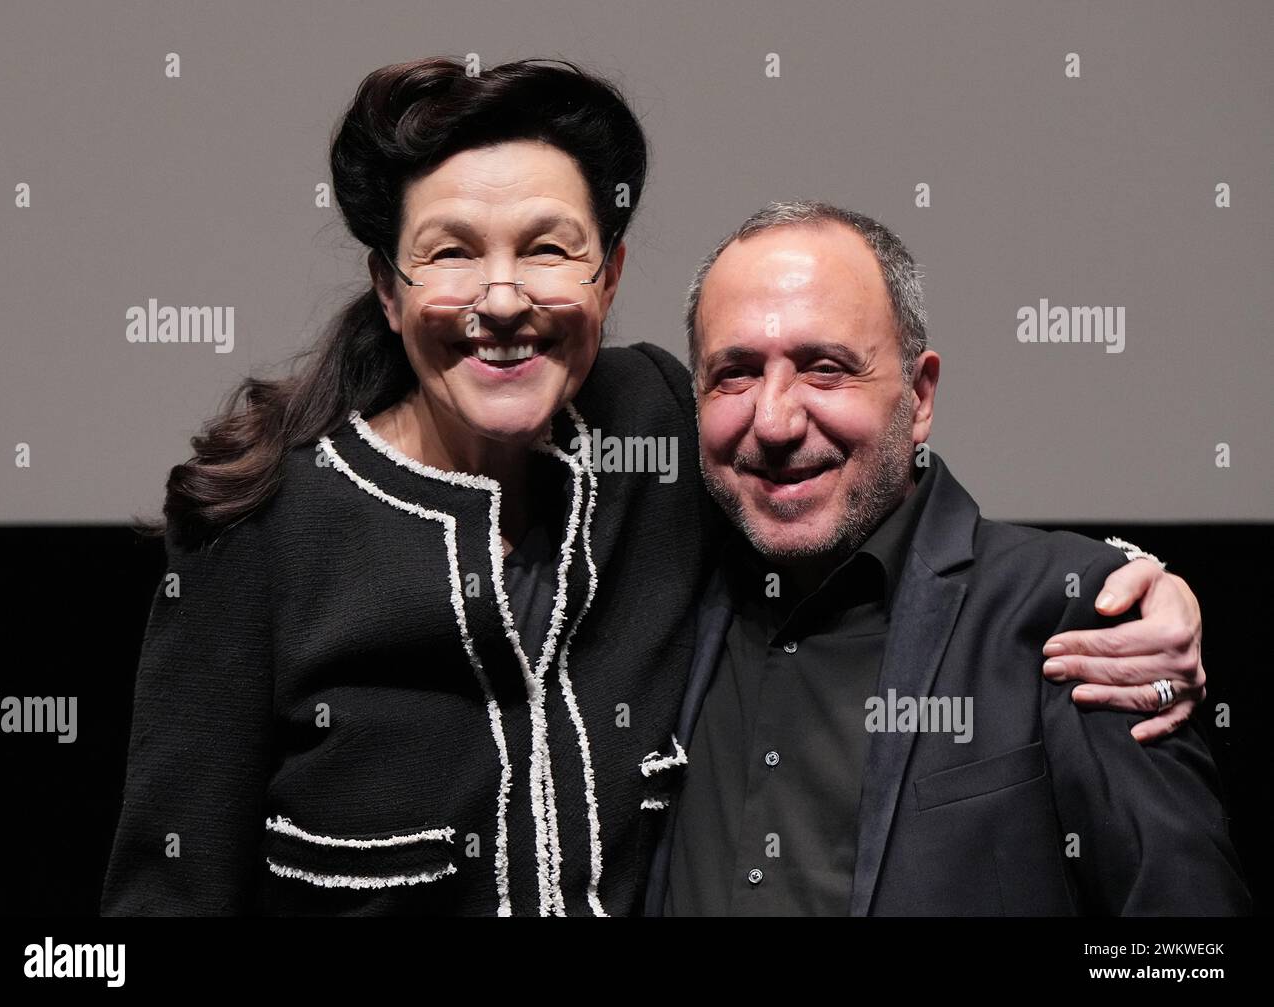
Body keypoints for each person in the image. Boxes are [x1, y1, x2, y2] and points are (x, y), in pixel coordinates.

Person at [101, 59, 1207, 917]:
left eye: (548, 247)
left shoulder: (656, 433)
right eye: (447, 253)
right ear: (389, 291)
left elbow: (862, 493)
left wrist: (1128, 581)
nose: (500, 296)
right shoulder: (263, 537)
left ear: (609, 276)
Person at [650, 201, 1249, 915]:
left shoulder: (1076, 615)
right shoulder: (656, 598)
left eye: (826, 368)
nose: (775, 421)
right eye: (736, 373)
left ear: (920, 395)